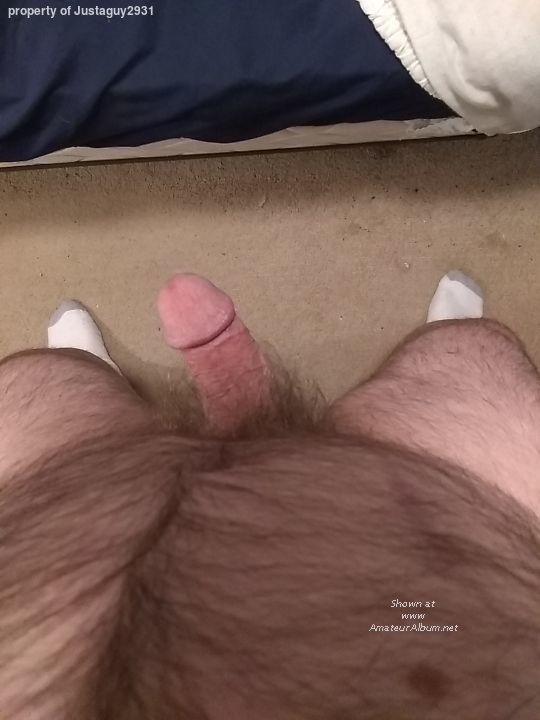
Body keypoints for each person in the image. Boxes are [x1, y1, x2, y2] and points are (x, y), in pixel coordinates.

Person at [1, 270, 539, 720]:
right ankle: (444, 349)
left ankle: (94, 380)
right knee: (469, 365)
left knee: (45, 392)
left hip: (62, 567)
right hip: (427, 605)